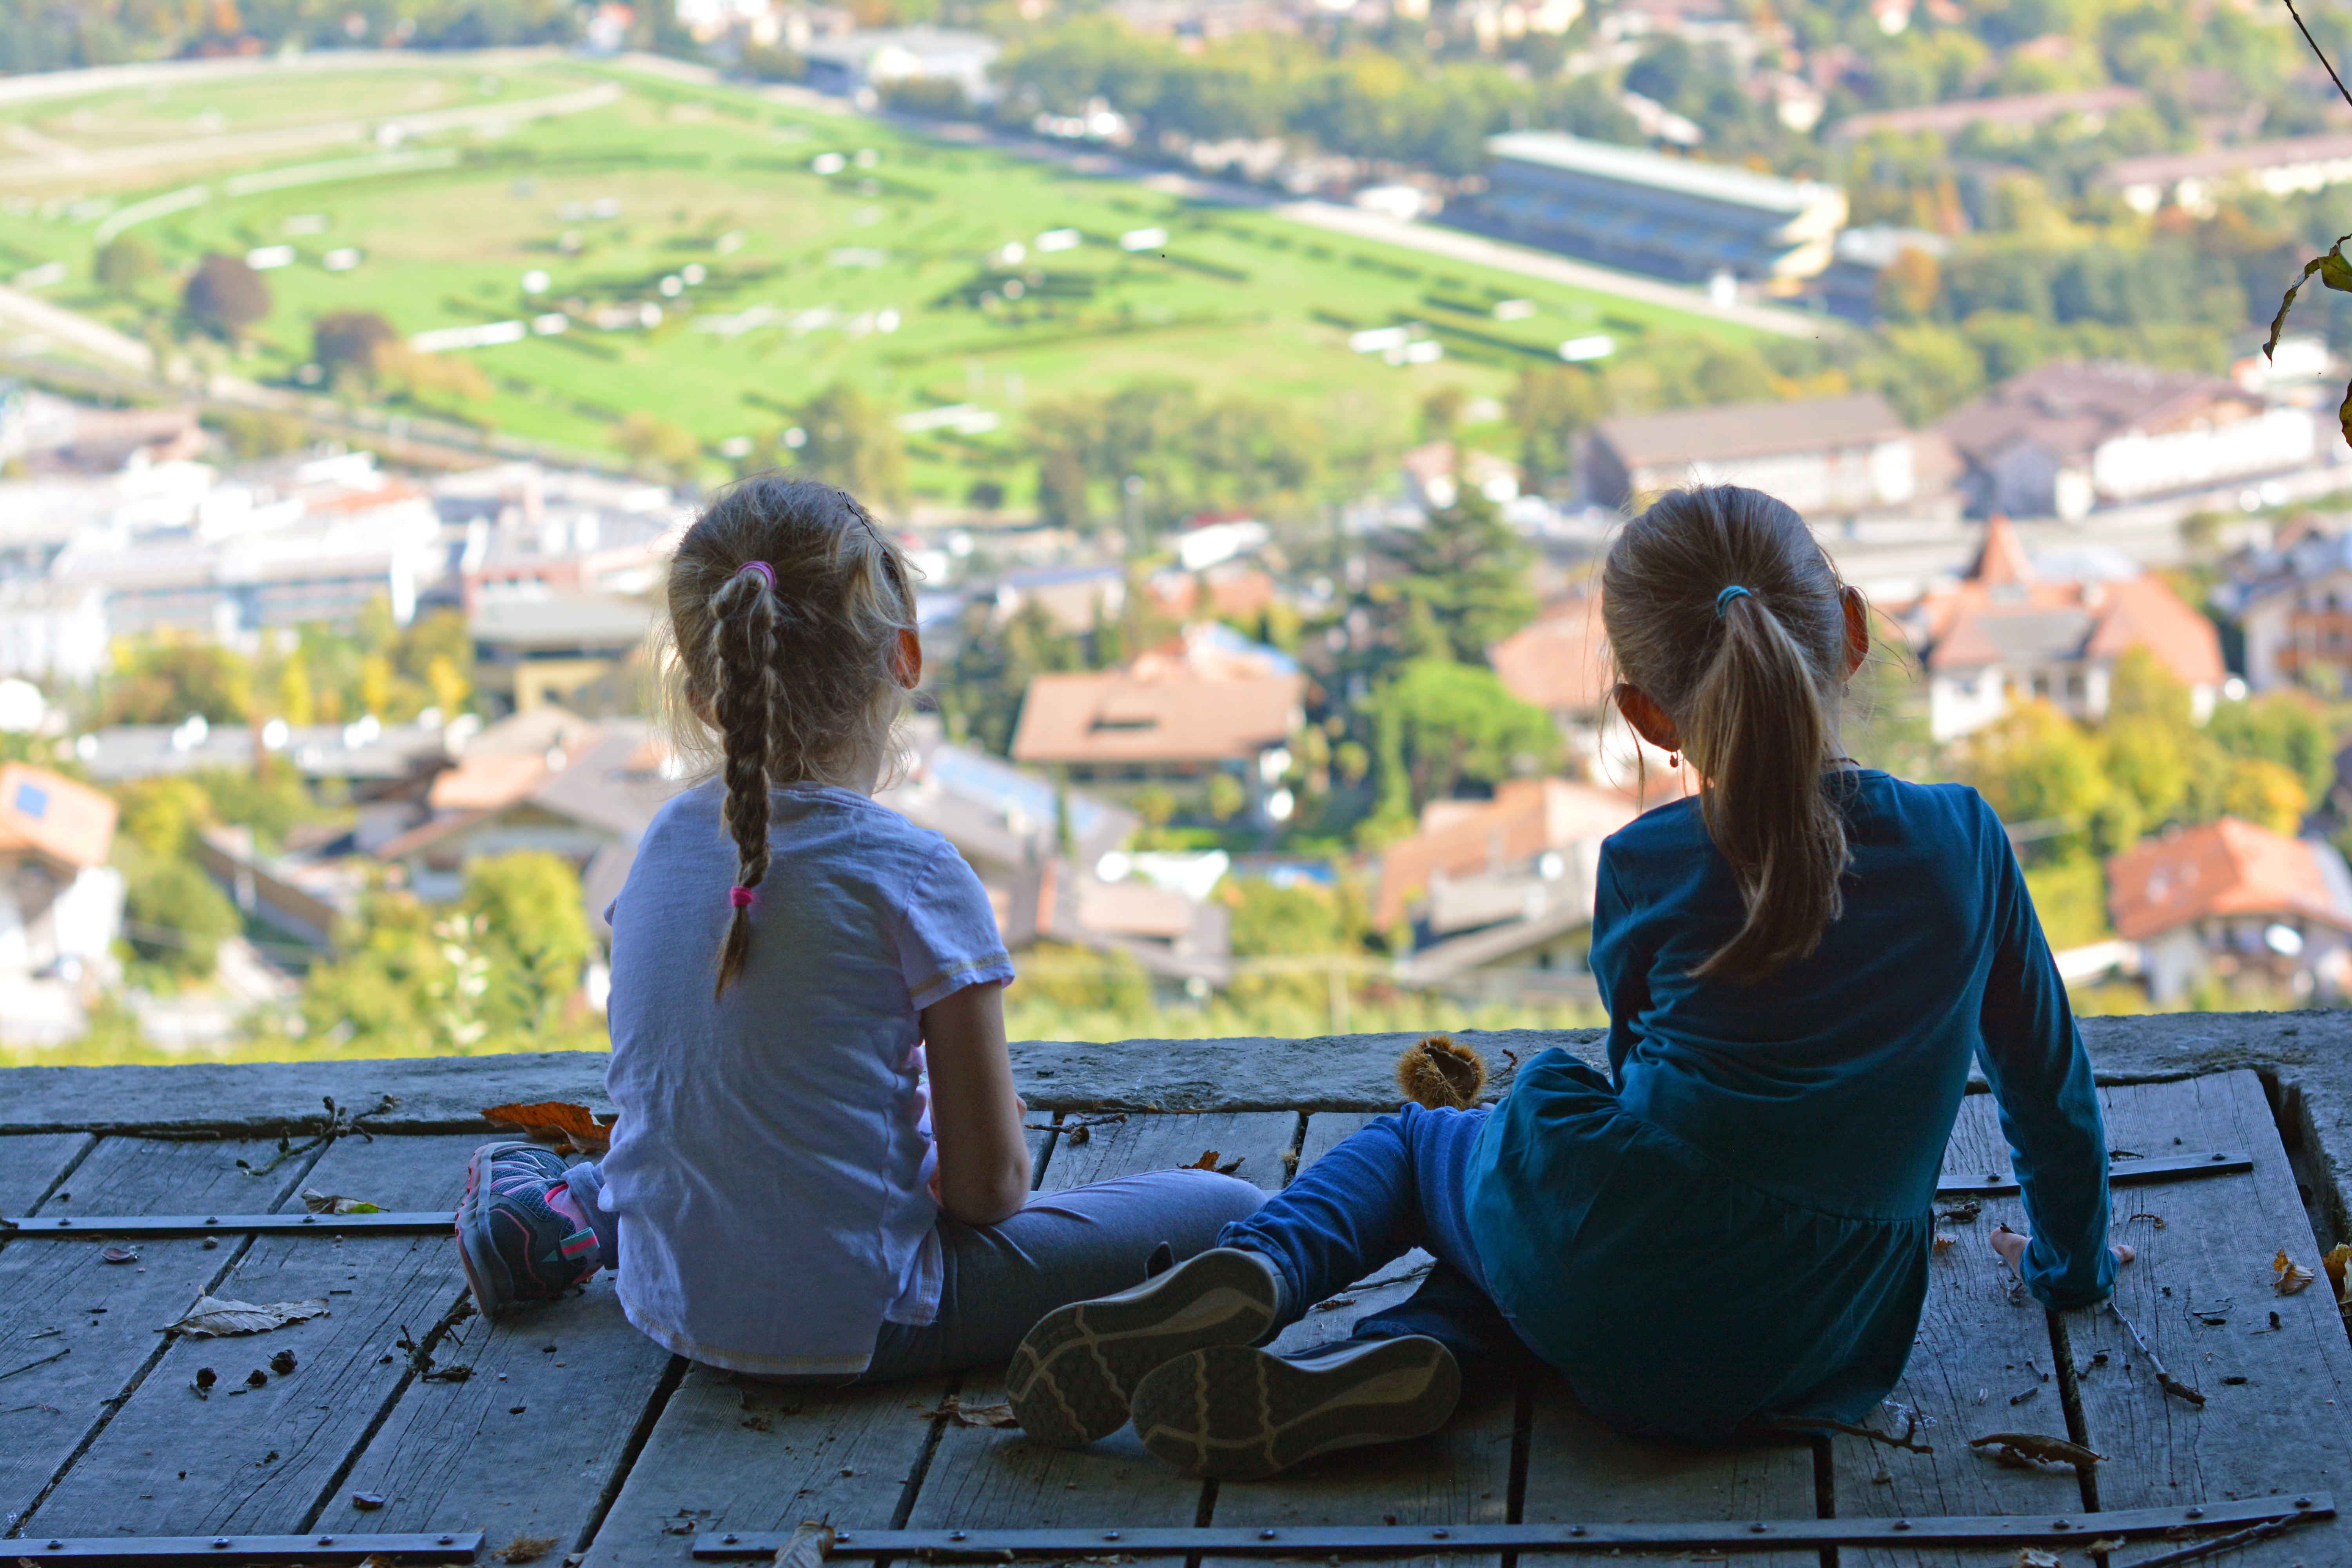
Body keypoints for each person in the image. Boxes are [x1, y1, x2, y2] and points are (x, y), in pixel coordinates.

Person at [1007, 484, 2132, 1477]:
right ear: (1850, 633)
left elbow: (1638, 1106)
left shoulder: (1648, 864)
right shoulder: (1964, 841)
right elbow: (2049, 1090)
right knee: (1567, 1244)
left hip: (1619, 1299)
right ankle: (1415, 1354)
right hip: (1825, 1343)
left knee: (1434, 1154)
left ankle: (1266, 1268)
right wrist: (2069, 1268)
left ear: (1646, 713)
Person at [454, 475, 1263, 1381]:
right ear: (905, 655)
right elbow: (988, 1193)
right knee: (1231, 1209)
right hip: (872, 1322)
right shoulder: (915, 872)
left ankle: (564, 1214)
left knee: (702, 1134)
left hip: (667, 1302)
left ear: (705, 695)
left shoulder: (660, 844)